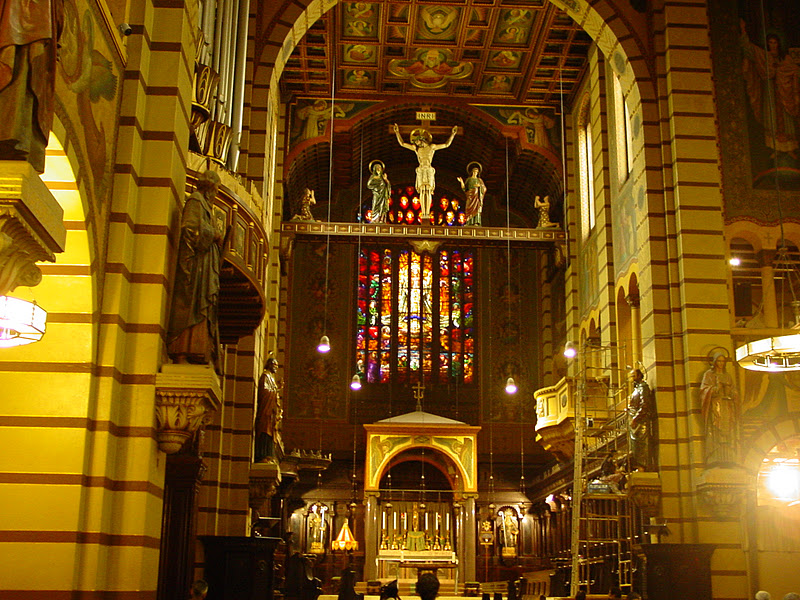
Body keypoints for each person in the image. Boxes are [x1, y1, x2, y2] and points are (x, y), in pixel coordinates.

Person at [168, 170, 224, 368]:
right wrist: (213, 234)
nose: (216, 194)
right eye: (216, 189)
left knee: (204, 308)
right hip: (197, 267)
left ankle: (197, 353)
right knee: (192, 306)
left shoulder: (205, 205)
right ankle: (182, 351)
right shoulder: (195, 201)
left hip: (205, 266)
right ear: (208, 188)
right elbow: (189, 229)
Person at [0, 0, 64, 173]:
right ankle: (13, 135)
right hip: (23, 21)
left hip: (37, 24)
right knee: (19, 72)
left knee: (25, 79)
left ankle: (17, 137)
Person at [740, 20, 799, 159]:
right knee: (771, 118)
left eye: (775, 42)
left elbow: (795, 70)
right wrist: (743, 31)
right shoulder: (763, 55)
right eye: (770, 42)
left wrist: (784, 74)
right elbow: (748, 49)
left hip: (785, 93)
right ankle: (776, 148)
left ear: (779, 43)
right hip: (770, 92)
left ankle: (790, 149)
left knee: (787, 120)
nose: (773, 45)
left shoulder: (786, 58)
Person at [393, 123, 457, 219]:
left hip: (429, 170)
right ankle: (424, 213)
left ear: (421, 139)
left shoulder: (432, 147)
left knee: (428, 190)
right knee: (422, 191)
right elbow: (402, 144)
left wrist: (453, 134)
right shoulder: (416, 149)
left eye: (417, 141)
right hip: (421, 170)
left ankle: (427, 212)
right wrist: (397, 132)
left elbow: (446, 145)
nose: (416, 143)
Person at [701, 351, 740, 465]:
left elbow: (734, 391)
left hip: (727, 406)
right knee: (716, 429)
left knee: (729, 429)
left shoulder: (727, 376)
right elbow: (704, 390)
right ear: (714, 362)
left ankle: (729, 454)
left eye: (723, 361)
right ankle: (716, 454)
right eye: (719, 361)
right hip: (715, 406)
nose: (721, 363)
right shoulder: (709, 374)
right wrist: (716, 388)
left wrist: (731, 392)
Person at [628, 368, 658, 471]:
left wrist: (636, 418)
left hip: (641, 422)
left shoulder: (643, 387)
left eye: (633, 375)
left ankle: (644, 466)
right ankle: (639, 466)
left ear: (639, 375)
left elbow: (645, 404)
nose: (632, 378)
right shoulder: (636, 389)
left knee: (642, 446)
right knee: (635, 447)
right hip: (634, 423)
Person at [254, 357, 282, 462]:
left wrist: (277, 389)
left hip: (271, 412)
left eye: (277, 366)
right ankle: (262, 455)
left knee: (270, 431)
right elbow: (265, 391)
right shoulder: (265, 376)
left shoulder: (272, 378)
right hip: (266, 410)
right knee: (265, 430)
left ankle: (268, 455)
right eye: (274, 365)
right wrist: (275, 391)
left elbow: (272, 391)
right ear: (269, 365)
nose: (276, 368)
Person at [457, 162, 486, 226]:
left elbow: (484, 188)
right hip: (470, 196)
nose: (475, 173)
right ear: (472, 172)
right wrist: (461, 182)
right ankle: (469, 222)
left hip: (477, 197)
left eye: (477, 172)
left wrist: (479, 186)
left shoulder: (479, 180)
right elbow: (464, 188)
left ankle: (476, 222)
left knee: (477, 209)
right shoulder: (469, 179)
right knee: (468, 208)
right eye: (474, 172)